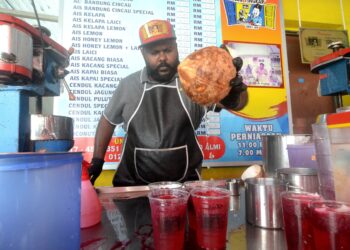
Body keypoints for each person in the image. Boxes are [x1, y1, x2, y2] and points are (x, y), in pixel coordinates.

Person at [89, 19, 248, 186]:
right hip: (133, 187)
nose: (162, 58)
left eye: (167, 50)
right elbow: (108, 120)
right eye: (154, 52)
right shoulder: (128, 85)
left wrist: (235, 92)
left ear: (176, 47)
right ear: (143, 53)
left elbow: (238, 104)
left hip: (184, 189)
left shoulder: (196, 82)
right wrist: (98, 160)